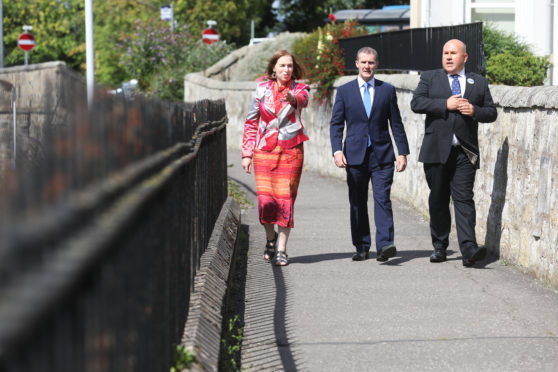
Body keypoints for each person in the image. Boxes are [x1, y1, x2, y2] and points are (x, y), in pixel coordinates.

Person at [410, 39, 497, 267]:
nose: (448, 57)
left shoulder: (478, 82)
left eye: (453, 53)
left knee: (464, 198)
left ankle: (468, 248)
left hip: (464, 153)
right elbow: (416, 103)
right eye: (445, 53)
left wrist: (474, 110)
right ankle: (440, 246)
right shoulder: (430, 77)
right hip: (436, 151)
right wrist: (444, 105)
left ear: (464, 58)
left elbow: (491, 112)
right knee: (438, 198)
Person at [330, 46, 410, 262]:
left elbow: (396, 123)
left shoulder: (387, 90)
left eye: (371, 62)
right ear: (356, 64)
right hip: (354, 156)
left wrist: (402, 152)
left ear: (376, 65)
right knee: (357, 201)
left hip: (382, 155)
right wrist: (337, 150)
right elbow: (336, 124)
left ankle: (385, 246)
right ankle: (362, 246)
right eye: (363, 62)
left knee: (383, 199)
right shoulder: (345, 92)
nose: (367, 66)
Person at [241, 50, 310, 266]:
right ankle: (270, 238)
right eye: (282, 66)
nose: (286, 70)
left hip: (291, 151)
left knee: (285, 200)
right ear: (274, 69)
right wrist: (246, 154)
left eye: (289, 66)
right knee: (266, 201)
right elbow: (251, 122)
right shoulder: (261, 90)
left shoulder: (300, 89)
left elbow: (303, 100)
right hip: (264, 152)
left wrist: (292, 98)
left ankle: (282, 249)